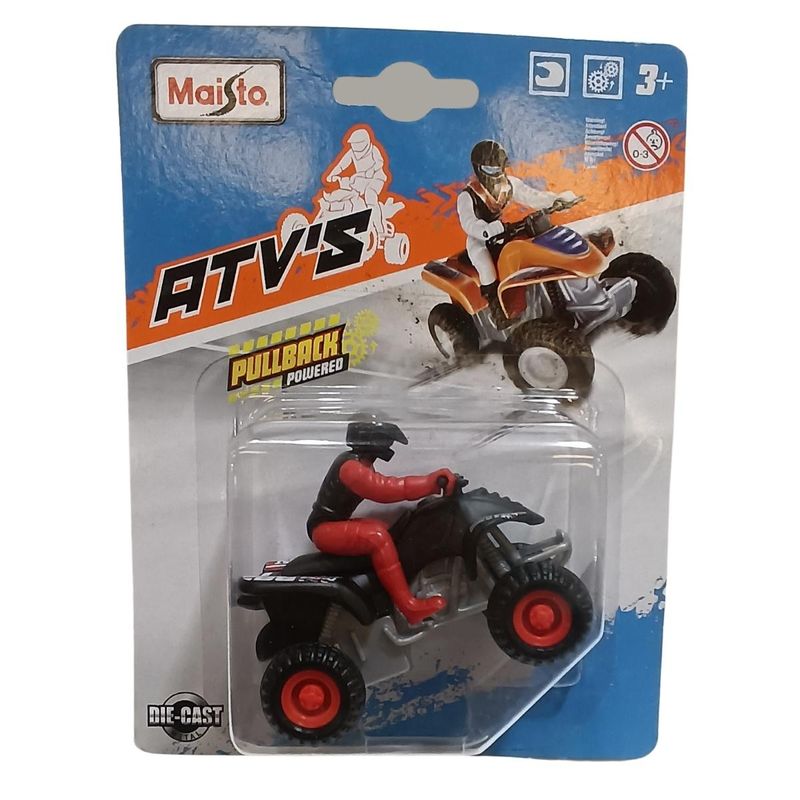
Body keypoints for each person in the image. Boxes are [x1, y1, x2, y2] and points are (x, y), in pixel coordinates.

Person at [307, 420, 456, 625]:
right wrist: (430, 483)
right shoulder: (352, 468)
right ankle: (409, 607)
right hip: (324, 529)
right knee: (378, 538)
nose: (389, 446)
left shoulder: (359, 462)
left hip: (332, 524)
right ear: (371, 441)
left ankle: (386, 588)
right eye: (386, 441)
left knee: (386, 530)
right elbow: (386, 490)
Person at [457, 140, 577, 291]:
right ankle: (493, 300)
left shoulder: (508, 185)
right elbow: (468, 222)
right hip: (480, 240)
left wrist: (556, 200)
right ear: (478, 169)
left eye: (499, 168)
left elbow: (532, 196)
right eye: (490, 169)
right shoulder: (468, 196)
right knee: (486, 269)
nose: (496, 174)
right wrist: (485, 230)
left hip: (504, 232)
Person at [326, 128, 388, 237]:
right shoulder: (352, 153)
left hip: (376, 178)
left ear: (365, 143)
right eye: (353, 144)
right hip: (361, 179)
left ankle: (380, 230)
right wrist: (332, 175)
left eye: (357, 144)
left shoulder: (373, 150)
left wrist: (372, 170)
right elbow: (341, 165)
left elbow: (380, 162)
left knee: (370, 195)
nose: (354, 147)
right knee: (351, 195)